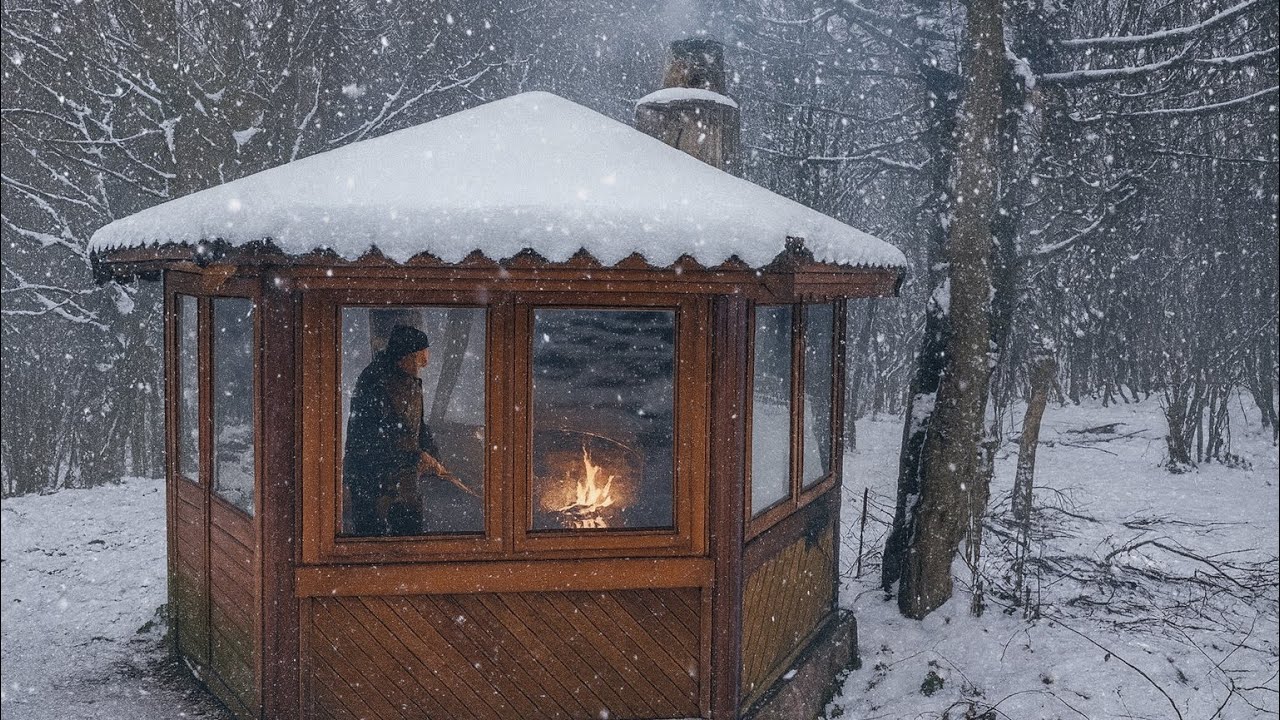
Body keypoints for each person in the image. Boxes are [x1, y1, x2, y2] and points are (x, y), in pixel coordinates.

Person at [343, 325, 449, 536]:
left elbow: (417, 426)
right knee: (374, 541)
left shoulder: (407, 380)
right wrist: (418, 455)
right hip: (373, 481)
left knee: (408, 535)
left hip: (401, 479)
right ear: (408, 356)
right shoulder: (377, 381)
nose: (425, 360)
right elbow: (381, 434)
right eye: (422, 353)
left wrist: (433, 455)